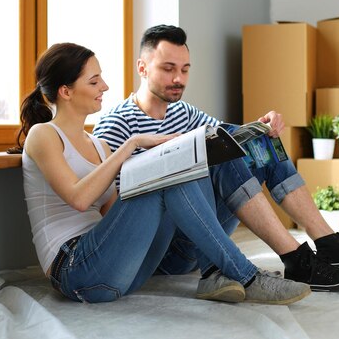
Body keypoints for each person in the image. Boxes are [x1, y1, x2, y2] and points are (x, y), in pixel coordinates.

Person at [93, 25, 339, 293]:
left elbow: (232, 136)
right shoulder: (116, 125)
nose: (178, 78)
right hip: (161, 251)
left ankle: (327, 243)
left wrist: (265, 124)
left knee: (257, 143)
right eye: (168, 68)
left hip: (200, 236)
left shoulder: (183, 112)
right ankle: (296, 258)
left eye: (185, 69)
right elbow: (113, 214)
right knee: (222, 158)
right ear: (142, 68)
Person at [16, 42, 311, 305]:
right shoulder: (44, 135)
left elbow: (113, 216)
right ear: (65, 91)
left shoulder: (99, 145)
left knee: (182, 168)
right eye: (94, 81)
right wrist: (131, 147)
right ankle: (244, 275)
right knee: (164, 178)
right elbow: (78, 199)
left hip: (120, 271)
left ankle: (216, 270)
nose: (104, 86)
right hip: (75, 271)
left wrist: (174, 166)